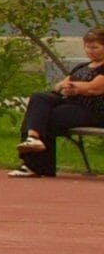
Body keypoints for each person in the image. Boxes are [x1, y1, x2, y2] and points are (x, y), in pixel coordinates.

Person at [15, 31, 104, 177]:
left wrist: (75, 88)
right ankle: (33, 139)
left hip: (92, 110)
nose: (90, 51)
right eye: (87, 47)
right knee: (38, 100)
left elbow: (95, 88)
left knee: (45, 118)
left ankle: (35, 167)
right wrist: (65, 87)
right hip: (71, 102)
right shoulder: (82, 66)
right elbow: (59, 86)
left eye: (95, 47)